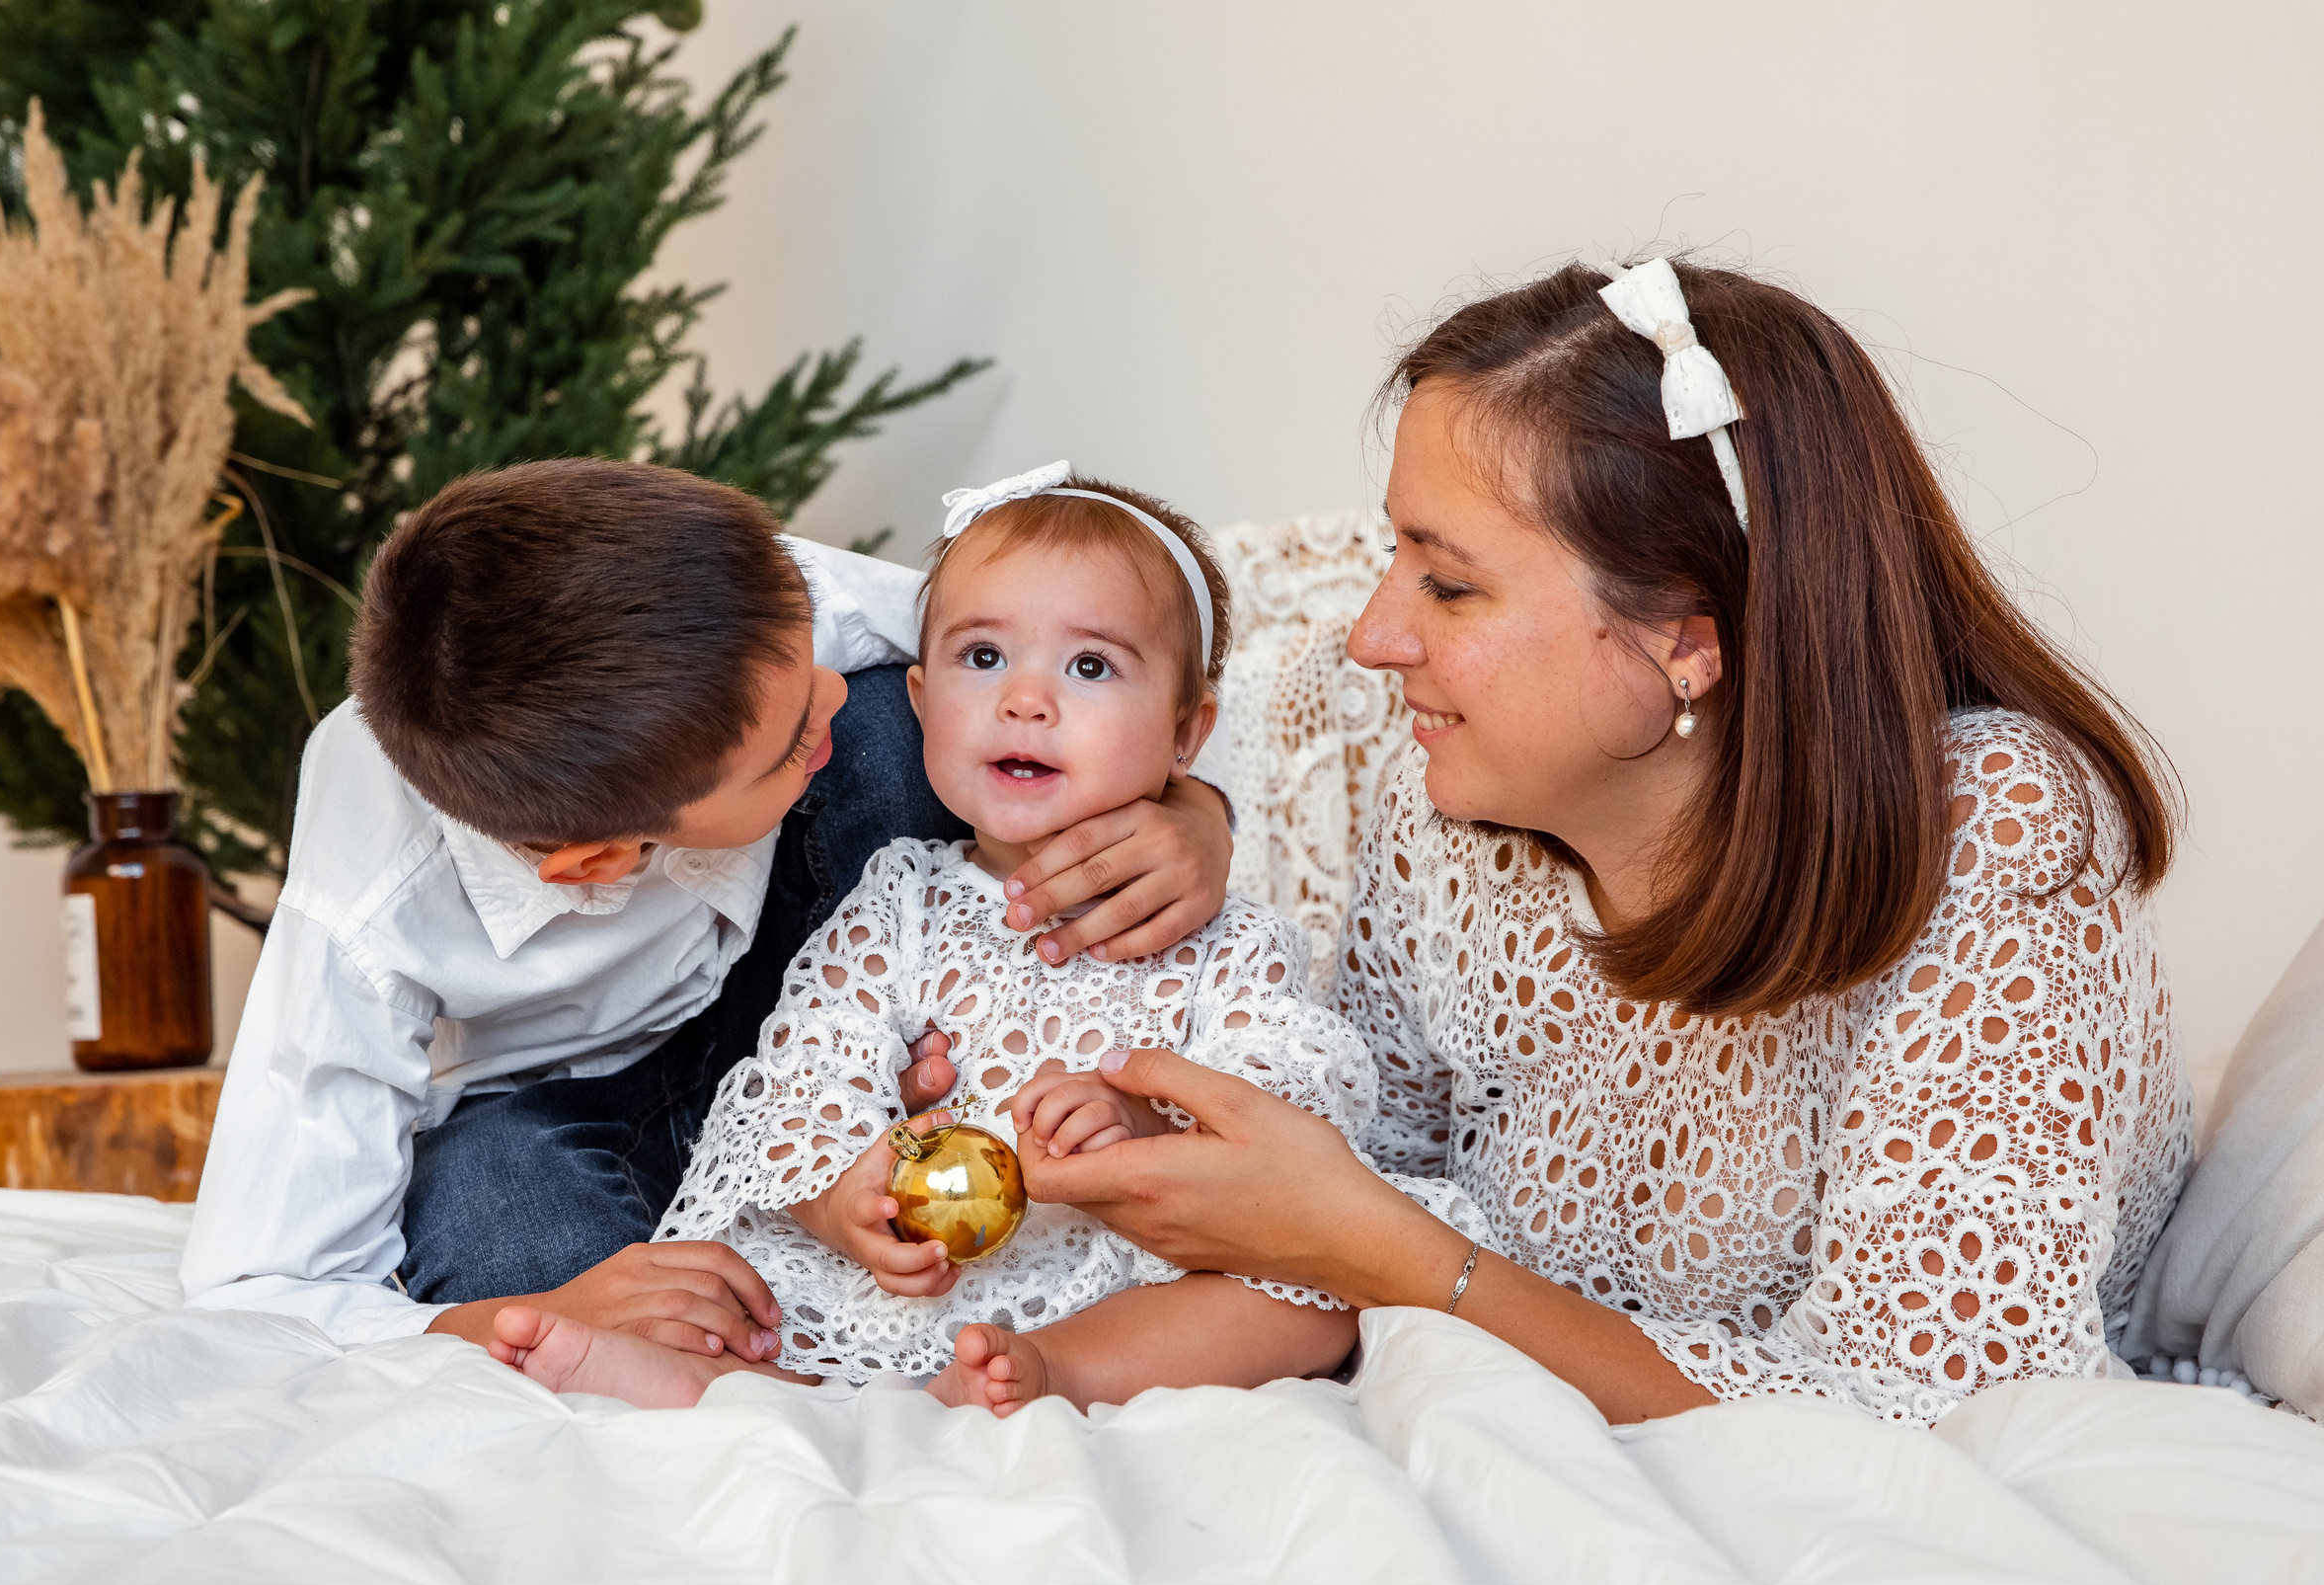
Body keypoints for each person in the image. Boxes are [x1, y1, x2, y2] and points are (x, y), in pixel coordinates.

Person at [1017, 256, 2193, 1429]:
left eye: (1448, 585)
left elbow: (1936, 1412)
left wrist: (1383, 1251)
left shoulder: (1996, 830)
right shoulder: (1462, 803)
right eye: (1393, 558)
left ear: (1687, 643)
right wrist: (1191, 845)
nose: (1375, 635)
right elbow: (1362, 1169)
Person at [180, 459, 1237, 1387]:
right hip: (570, 1104)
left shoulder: (752, 606)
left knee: (893, 724)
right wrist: (524, 1313)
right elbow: (266, 1286)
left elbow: (1100, 656)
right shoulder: (371, 903)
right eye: (787, 743)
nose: (826, 691)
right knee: (496, 1210)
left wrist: (1194, 814)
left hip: (829, 994)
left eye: (807, 655)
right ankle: (725, 1346)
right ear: (598, 859)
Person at [486, 464, 1384, 1414]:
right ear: (919, 699)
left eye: (1090, 667)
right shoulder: (900, 901)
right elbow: (806, 1077)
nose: (1026, 699)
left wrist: (1146, 1124)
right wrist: (848, 1199)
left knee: (1319, 1294)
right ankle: (726, 1382)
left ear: (1186, 733)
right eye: (983, 657)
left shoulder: (1223, 933)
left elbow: (1291, 1097)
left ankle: (1058, 1368)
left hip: (1130, 1272)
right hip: (915, 1270)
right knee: (742, 1295)